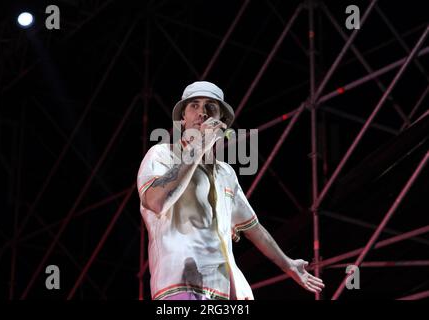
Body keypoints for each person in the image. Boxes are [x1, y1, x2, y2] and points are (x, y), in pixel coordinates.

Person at [137, 81, 324, 300]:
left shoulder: (225, 172)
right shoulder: (162, 155)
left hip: (227, 290)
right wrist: (199, 146)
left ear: (222, 120)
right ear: (182, 119)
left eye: (210, 107)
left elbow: (253, 227)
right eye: (194, 106)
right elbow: (156, 200)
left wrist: (288, 264)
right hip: (181, 283)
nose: (202, 113)